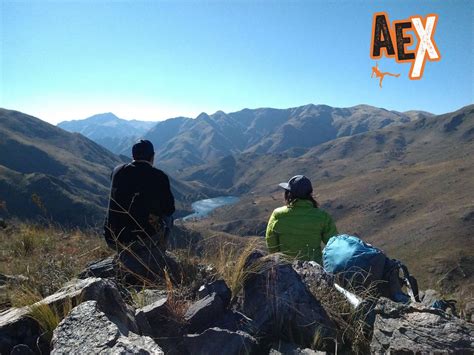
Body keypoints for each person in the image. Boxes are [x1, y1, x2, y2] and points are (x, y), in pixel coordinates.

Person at [103, 139, 176, 283]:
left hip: (113, 238)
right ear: (152, 156)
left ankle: (126, 256)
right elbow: (169, 209)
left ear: (133, 155)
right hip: (142, 239)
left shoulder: (117, 171)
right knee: (169, 219)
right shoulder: (159, 176)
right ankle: (157, 254)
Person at [265, 175, 338, 264]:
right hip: (314, 270)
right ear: (310, 194)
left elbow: (271, 245)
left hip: (285, 268)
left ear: (289, 193)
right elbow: (334, 245)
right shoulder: (322, 216)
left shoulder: (278, 215)